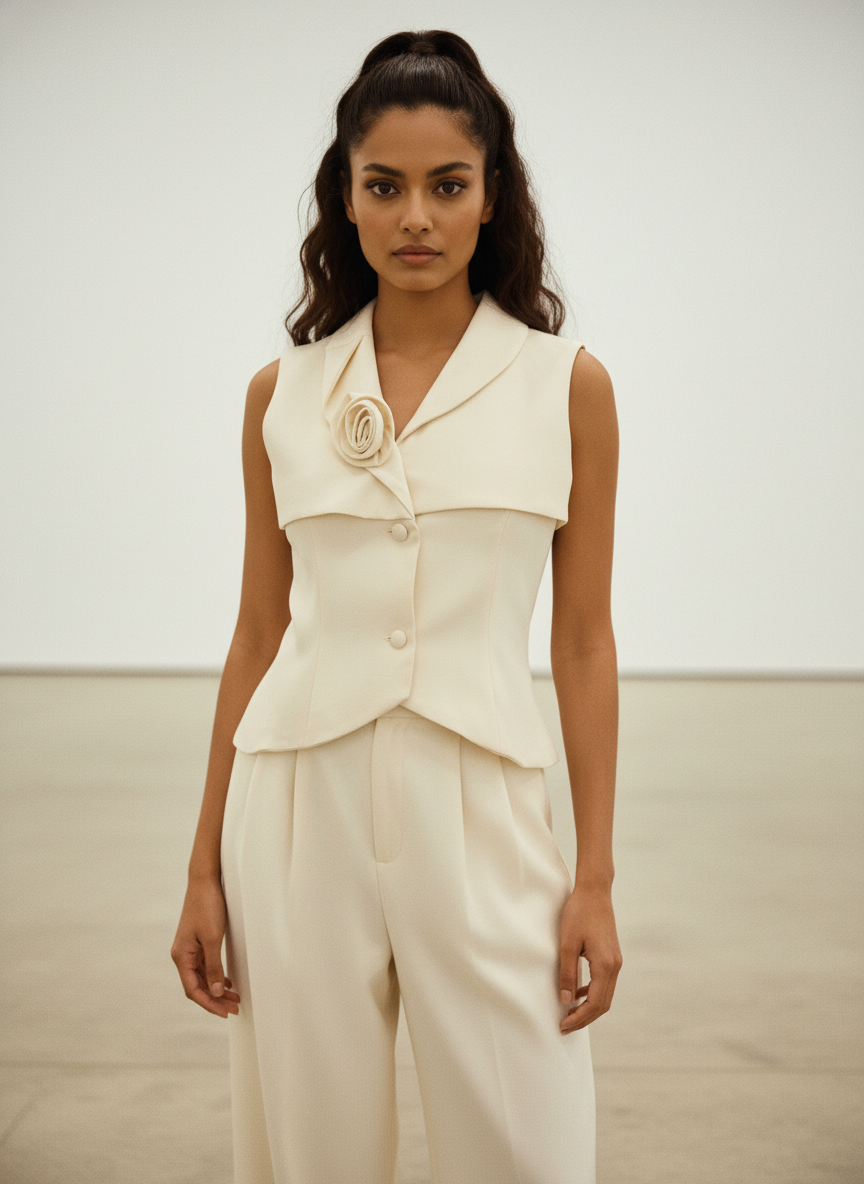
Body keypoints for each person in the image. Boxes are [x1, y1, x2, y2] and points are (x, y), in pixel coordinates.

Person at [171, 28, 622, 1184]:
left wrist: (595, 878)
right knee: (309, 1153)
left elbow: (581, 639)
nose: (415, 214)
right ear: (348, 199)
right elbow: (259, 633)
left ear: (491, 197)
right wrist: (202, 867)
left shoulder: (564, 385)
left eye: (446, 185)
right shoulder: (282, 394)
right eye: (385, 185)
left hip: (483, 805)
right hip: (294, 808)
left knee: (529, 1146)